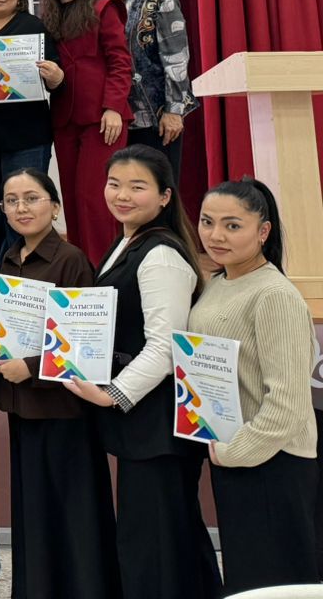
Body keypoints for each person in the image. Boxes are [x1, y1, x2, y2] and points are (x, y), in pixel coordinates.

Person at [64, 146, 220, 599]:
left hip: (159, 426)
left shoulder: (161, 256)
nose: (122, 195)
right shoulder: (128, 242)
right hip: (145, 425)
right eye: (114, 184)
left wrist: (113, 393)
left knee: (155, 545)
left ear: (165, 196)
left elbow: (165, 347)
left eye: (137, 187)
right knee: (167, 538)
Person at [0, 169, 121, 599]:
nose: (21, 208)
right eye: (11, 201)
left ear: (55, 206)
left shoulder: (70, 260)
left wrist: (30, 367)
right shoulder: (8, 258)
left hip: (64, 412)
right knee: (34, 515)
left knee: (73, 516)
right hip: (21, 408)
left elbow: (86, 345)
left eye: (31, 198)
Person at [189, 177, 319, 591]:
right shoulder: (219, 282)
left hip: (273, 463)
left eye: (232, 225)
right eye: (207, 222)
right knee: (247, 581)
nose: (215, 235)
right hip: (234, 457)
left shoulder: (273, 294)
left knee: (277, 584)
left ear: (263, 231)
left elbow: (287, 402)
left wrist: (233, 451)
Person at [39, 0, 132, 262]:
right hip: (64, 118)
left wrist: (114, 107)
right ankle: (81, 269)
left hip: (102, 118)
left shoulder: (104, 9)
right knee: (72, 199)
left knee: (94, 199)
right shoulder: (47, 17)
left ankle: (102, 269)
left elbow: (120, 62)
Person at [0, 0, 62, 247]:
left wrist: (55, 76)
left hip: (27, 134)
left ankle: (28, 265)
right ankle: (3, 265)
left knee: (25, 207)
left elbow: (56, 80)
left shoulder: (33, 26)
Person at [98, 0, 199, 179]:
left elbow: (176, 59)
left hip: (153, 114)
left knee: (157, 185)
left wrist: (174, 111)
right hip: (108, 116)